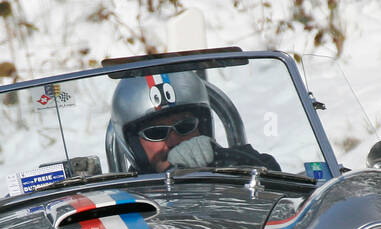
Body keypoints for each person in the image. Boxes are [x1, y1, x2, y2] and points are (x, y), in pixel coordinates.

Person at [105, 70, 280, 173]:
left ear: (203, 127)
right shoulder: (126, 202)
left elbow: (275, 178)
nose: (173, 141)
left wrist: (221, 161)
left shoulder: (234, 164)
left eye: (185, 126)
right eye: (155, 132)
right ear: (133, 143)